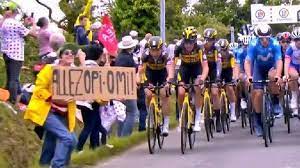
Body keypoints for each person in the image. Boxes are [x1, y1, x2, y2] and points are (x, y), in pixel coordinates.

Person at [24, 43, 85, 168]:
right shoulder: (50, 69)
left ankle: (44, 165)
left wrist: (83, 62)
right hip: (48, 111)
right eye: (67, 53)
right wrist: (53, 97)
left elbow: (88, 82)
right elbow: (39, 89)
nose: (70, 55)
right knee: (68, 139)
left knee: (51, 142)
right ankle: (58, 165)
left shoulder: (74, 71)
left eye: (72, 53)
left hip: (64, 113)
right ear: (61, 56)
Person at [245, 24, 282, 137]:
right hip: (258, 69)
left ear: (270, 37)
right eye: (262, 38)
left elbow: (279, 61)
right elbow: (248, 62)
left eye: (267, 38)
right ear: (258, 38)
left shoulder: (275, 43)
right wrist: (248, 76)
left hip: (271, 67)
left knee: (273, 77)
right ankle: (257, 120)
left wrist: (279, 75)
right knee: (258, 93)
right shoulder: (253, 44)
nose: (265, 40)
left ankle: (275, 101)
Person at [0, 1, 36, 104]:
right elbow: (33, 34)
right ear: (15, 11)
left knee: (10, 77)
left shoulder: (4, 22)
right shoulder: (16, 23)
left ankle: (6, 97)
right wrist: (33, 23)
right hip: (16, 54)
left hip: (6, 53)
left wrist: (25, 24)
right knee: (14, 79)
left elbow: (17, 31)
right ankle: (12, 100)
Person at [174, 26, 209, 132]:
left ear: (195, 41)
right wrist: (174, 78)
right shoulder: (179, 46)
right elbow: (174, 64)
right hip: (184, 68)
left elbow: (205, 66)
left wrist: (202, 78)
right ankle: (181, 116)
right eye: (186, 42)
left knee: (198, 88)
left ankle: (198, 119)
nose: (188, 45)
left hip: (196, 68)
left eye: (191, 42)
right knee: (180, 92)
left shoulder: (200, 47)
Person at [76, 43, 108, 152]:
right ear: (98, 56)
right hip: (89, 102)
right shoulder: (93, 67)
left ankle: (96, 146)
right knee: (89, 126)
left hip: (85, 101)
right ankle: (79, 148)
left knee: (96, 124)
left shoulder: (84, 65)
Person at [139, 36, 174, 135]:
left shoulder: (165, 55)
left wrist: (169, 81)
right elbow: (141, 71)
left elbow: (170, 69)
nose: (154, 53)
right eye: (152, 50)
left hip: (163, 74)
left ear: (161, 48)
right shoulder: (145, 55)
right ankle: (149, 116)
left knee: (164, 94)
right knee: (148, 94)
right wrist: (142, 81)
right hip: (150, 74)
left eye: (157, 50)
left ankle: (166, 123)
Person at [115, 35, 140, 137]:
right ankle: (125, 136)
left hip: (119, 87)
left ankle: (120, 136)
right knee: (132, 113)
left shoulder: (120, 57)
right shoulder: (128, 59)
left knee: (122, 114)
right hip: (127, 88)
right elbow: (133, 72)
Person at [202, 28, 223, 132]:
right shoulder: (200, 46)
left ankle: (218, 119)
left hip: (214, 69)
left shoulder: (216, 47)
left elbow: (219, 63)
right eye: (206, 39)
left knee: (214, 93)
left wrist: (218, 77)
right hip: (203, 68)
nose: (208, 42)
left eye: (210, 40)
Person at [217, 39, 237, 122]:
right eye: (221, 49)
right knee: (216, 87)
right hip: (219, 71)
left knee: (230, 88)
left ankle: (233, 112)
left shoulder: (231, 54)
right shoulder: (216, 54)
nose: (223, 51)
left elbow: (233, 66)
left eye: (224, 49)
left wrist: (234, 77)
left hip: (228, 71)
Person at [284, 28, 300, 117]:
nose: (299, 42)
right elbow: (286, 62)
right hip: (293, 66)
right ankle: (294, 99)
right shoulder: (291, 48)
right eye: (297, 40)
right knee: (294, 76)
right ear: (294, 40)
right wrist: (286, 74)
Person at [235, 35, 251, 110]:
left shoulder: (255, 51)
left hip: (254, 70)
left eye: (248, 45)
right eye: (245, 45)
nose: (246, 47)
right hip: (243, 70)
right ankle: (243, 98)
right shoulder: (240, 52)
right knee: (241, 78)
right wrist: (237, 76)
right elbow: (238, 65)